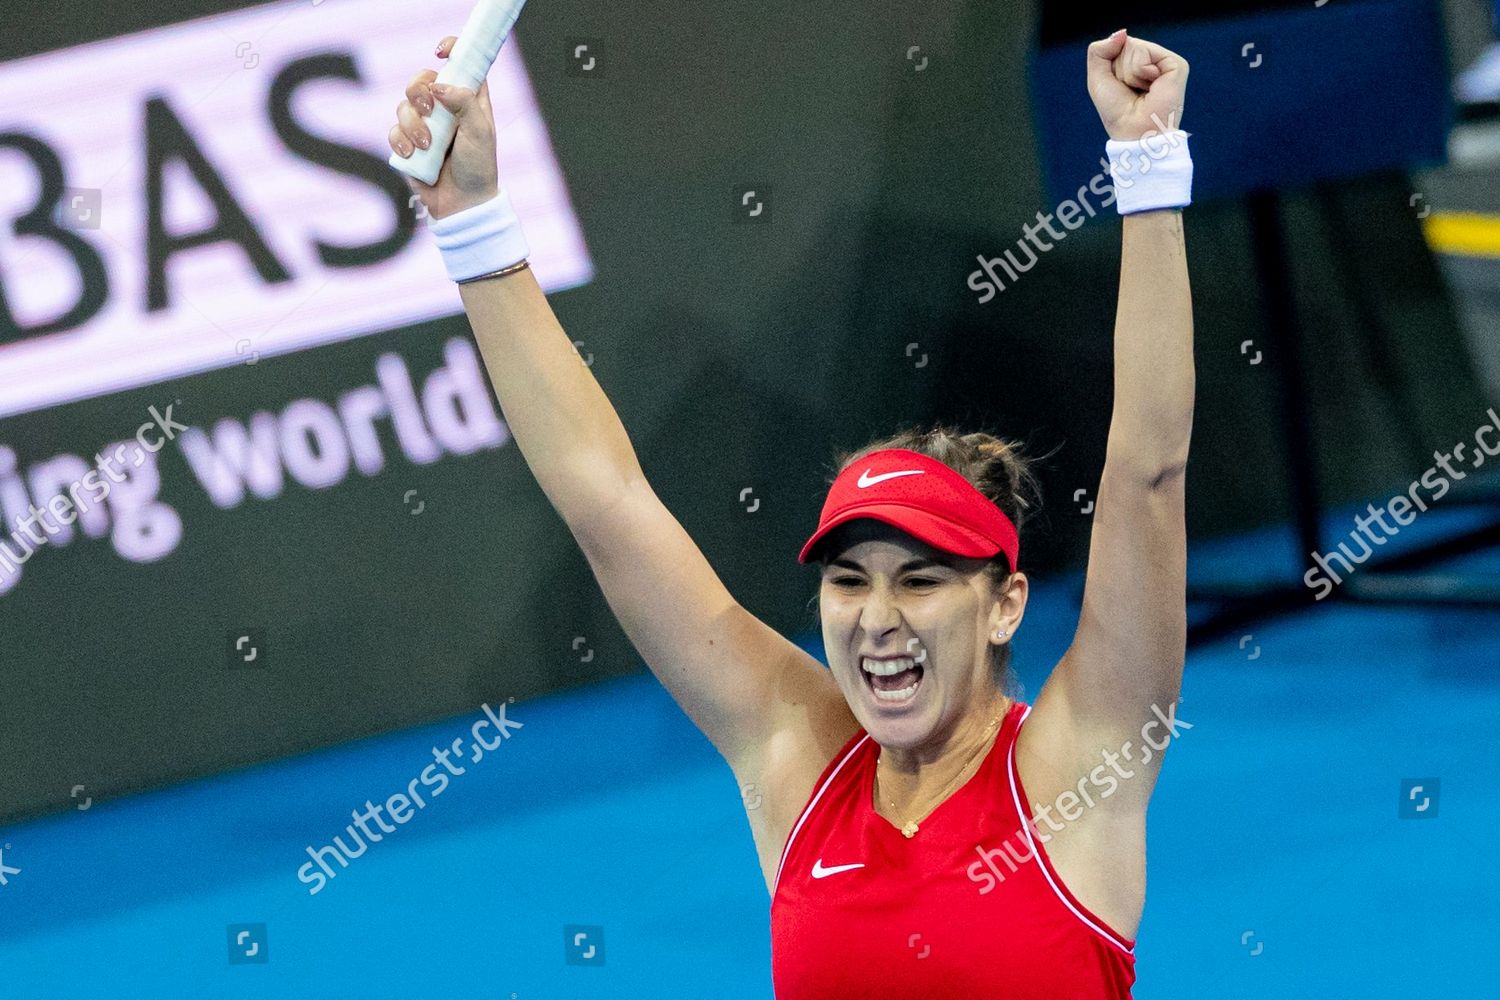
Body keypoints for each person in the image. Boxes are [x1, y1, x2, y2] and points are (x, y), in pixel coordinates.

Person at [389, 25, 1192, 998]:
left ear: (1005, 603)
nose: (876, 617)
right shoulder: (796, 759)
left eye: (921, 579)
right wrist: (472, 218)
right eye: (848, 579)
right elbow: (606, 501)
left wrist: (1147, 167)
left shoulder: (1081, 763)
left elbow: (1147, 469)